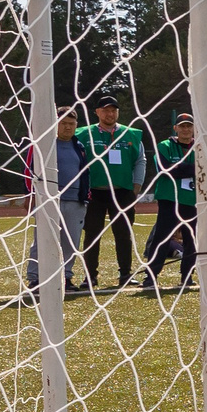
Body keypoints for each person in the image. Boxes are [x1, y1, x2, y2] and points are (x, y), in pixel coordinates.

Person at [76, 92, 147, 293]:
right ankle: (90, 276)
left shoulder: (131, 134)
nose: (110, 113)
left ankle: (125, 273)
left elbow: (140, 160)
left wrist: (137, 185)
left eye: (113, 110)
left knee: (124, 234)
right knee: (92, 234)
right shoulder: (83, 134)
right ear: (97, 112)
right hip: (94, 192)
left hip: (122, 192)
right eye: (105, 110)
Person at [24, 109, 88, 295]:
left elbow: (85, 173)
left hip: (75, 200)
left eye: (72, 124)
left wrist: (85, 196)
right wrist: (31, 195)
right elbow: (29, 171)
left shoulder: (79, 146)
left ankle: (65, 277)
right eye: (64, 123)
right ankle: (35, 279)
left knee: (71, 241)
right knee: (43, 240)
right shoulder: (43, 144)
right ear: (55, 124)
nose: (68, 127)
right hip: (49, 200)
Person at [140, 113, 199, 292]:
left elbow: (205, 168)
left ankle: (187, 276)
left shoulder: (200, 147)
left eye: (189, 126)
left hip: (193, 200)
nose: (186, 129)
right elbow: (166, 170)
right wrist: (192, 169)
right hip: (170, 199)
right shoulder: (164, 146)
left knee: (192, 240)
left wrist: (183, 169)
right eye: (182, 126)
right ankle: (150, 276)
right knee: (161, 237)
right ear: (175, 128)